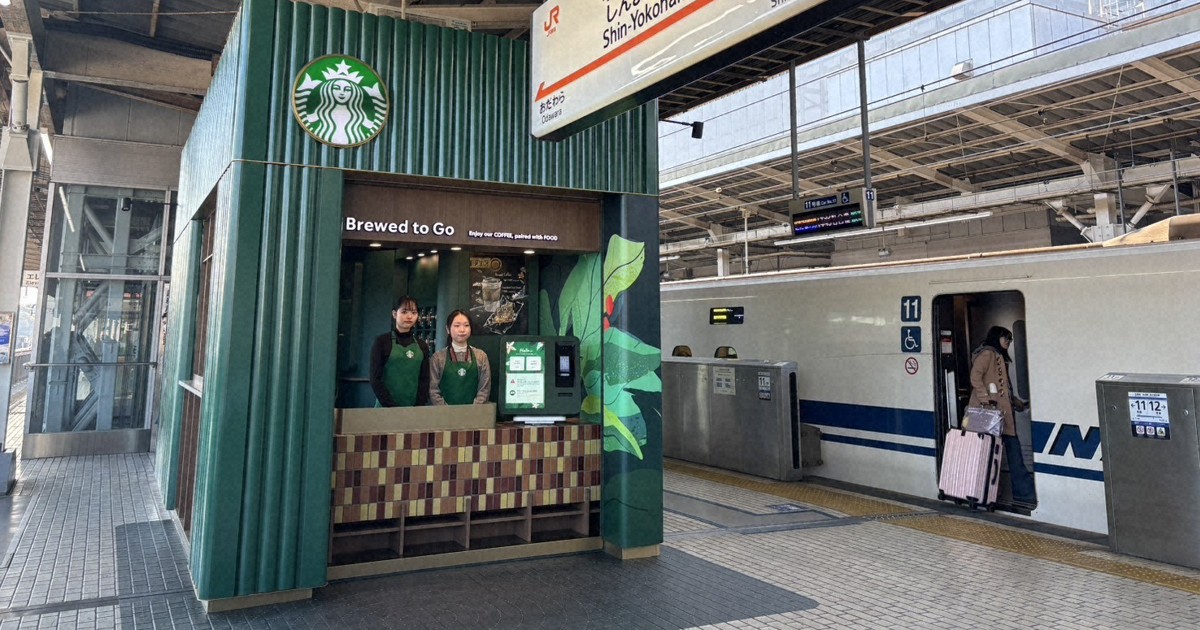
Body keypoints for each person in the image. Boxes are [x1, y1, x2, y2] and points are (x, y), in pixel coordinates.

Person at [967, 325, 1036, 508]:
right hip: (990, 416)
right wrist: (985, 399)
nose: (1009, 342)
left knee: (1010, 453)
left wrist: (1016, 402)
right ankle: (982, 493)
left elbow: (1002, 388)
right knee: (993, 455)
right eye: (1007, 338)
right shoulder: (988, 354)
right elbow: (975, 377)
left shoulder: (999, 357)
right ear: (997, 338)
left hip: (1001, 416)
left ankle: (1021, 493)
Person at [369, 296, 430, 407]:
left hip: (412, 410)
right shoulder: (381, 342)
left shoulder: (422, 345)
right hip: (385, 409)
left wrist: (418, 407)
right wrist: (392, 407)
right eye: (404, 312)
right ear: (394, 314)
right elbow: (375, 379)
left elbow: (424, 380)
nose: (409, 316)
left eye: (414, 312)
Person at [429, 310, 491, 405]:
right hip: (445, 416)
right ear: (448, 329)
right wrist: (447, 411)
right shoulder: (438, 358)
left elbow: (484, 389)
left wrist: (473, 410)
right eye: (457, 326)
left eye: (466, 325)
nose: (462, 330)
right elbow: (433, 390)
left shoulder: (481, 356)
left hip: (474, 415)